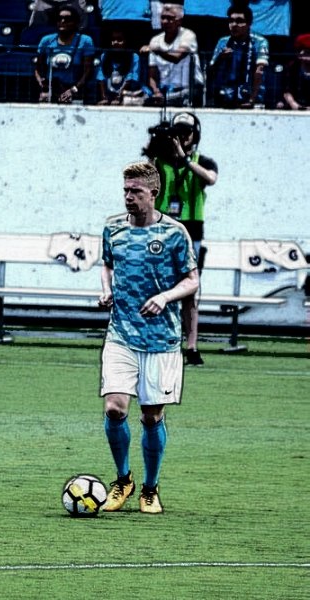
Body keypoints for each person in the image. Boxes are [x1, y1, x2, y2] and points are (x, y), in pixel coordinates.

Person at [98, 161, 199, 514]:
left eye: (136, 191)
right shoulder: (112, 228)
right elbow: (107, 265)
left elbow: (192, 280)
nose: (128, 197)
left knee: (152, 417)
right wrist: (107, 290)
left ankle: (151, 488)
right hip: (121, 334)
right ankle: (123, 480)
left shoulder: (174, 233)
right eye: (125, 190)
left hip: (161, 339)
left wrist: (164, 297)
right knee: (114, 407)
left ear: (153, 194)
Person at [144, 111, 217, 366]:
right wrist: (154, 149)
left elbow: (210, 178)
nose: (182, 137)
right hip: (163, 229)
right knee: (155, 288)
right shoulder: (160, 162)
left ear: (194, 135)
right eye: (178, 132)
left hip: (192, 231)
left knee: (189, 292)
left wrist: (185, 159)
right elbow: (144, 182)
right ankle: (157, 341)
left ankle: (192, 347)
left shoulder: (202, 160)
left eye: (187, 132)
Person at [140, 3, 204, 107]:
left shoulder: (188, 35)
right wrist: (156, 92)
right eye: (163, 18)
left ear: (179, 21)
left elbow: (176, 57)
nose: (165, 21)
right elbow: (152, 76)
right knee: (142, 99)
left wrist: (157, 50)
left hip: (189, 90)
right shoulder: (155, 40)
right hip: (165, 91)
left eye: (170, 18)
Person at [209, 5, 269, 109]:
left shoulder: (260, 42)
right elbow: (211, 69)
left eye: (239, 21)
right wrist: (221, 57)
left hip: (252, 98)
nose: (234, 25)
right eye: (231, 21)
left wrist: (252, 100)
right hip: (227, 97)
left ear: (249, 23)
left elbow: (260, 69)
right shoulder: (223, 42)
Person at [35, 3, 95, 104]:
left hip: (76, 88)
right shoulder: (46, 40)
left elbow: (88, 71)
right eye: (60, 18)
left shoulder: (85, 40)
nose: (63, 21)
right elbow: (38, 69)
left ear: (76, 22)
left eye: (68, 19)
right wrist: (43, 86)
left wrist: (73, 90)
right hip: (52, 88)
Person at [96, 28, 145, 105]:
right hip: (109, 95)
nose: (115, 42)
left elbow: (132, 78)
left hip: (128, 94)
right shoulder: (104, 56)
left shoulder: (134, 57)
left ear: (126, 41)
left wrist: (119, 97)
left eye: (119, 40)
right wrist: (104, 97)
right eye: (113, 40)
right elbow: (101, 77)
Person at [278, 33, 310, 110]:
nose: (302, 53)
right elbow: (286, 91)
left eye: (307, 51)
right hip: (296, 106)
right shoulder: (292, 67)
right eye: (300, 50)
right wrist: (294, 105)